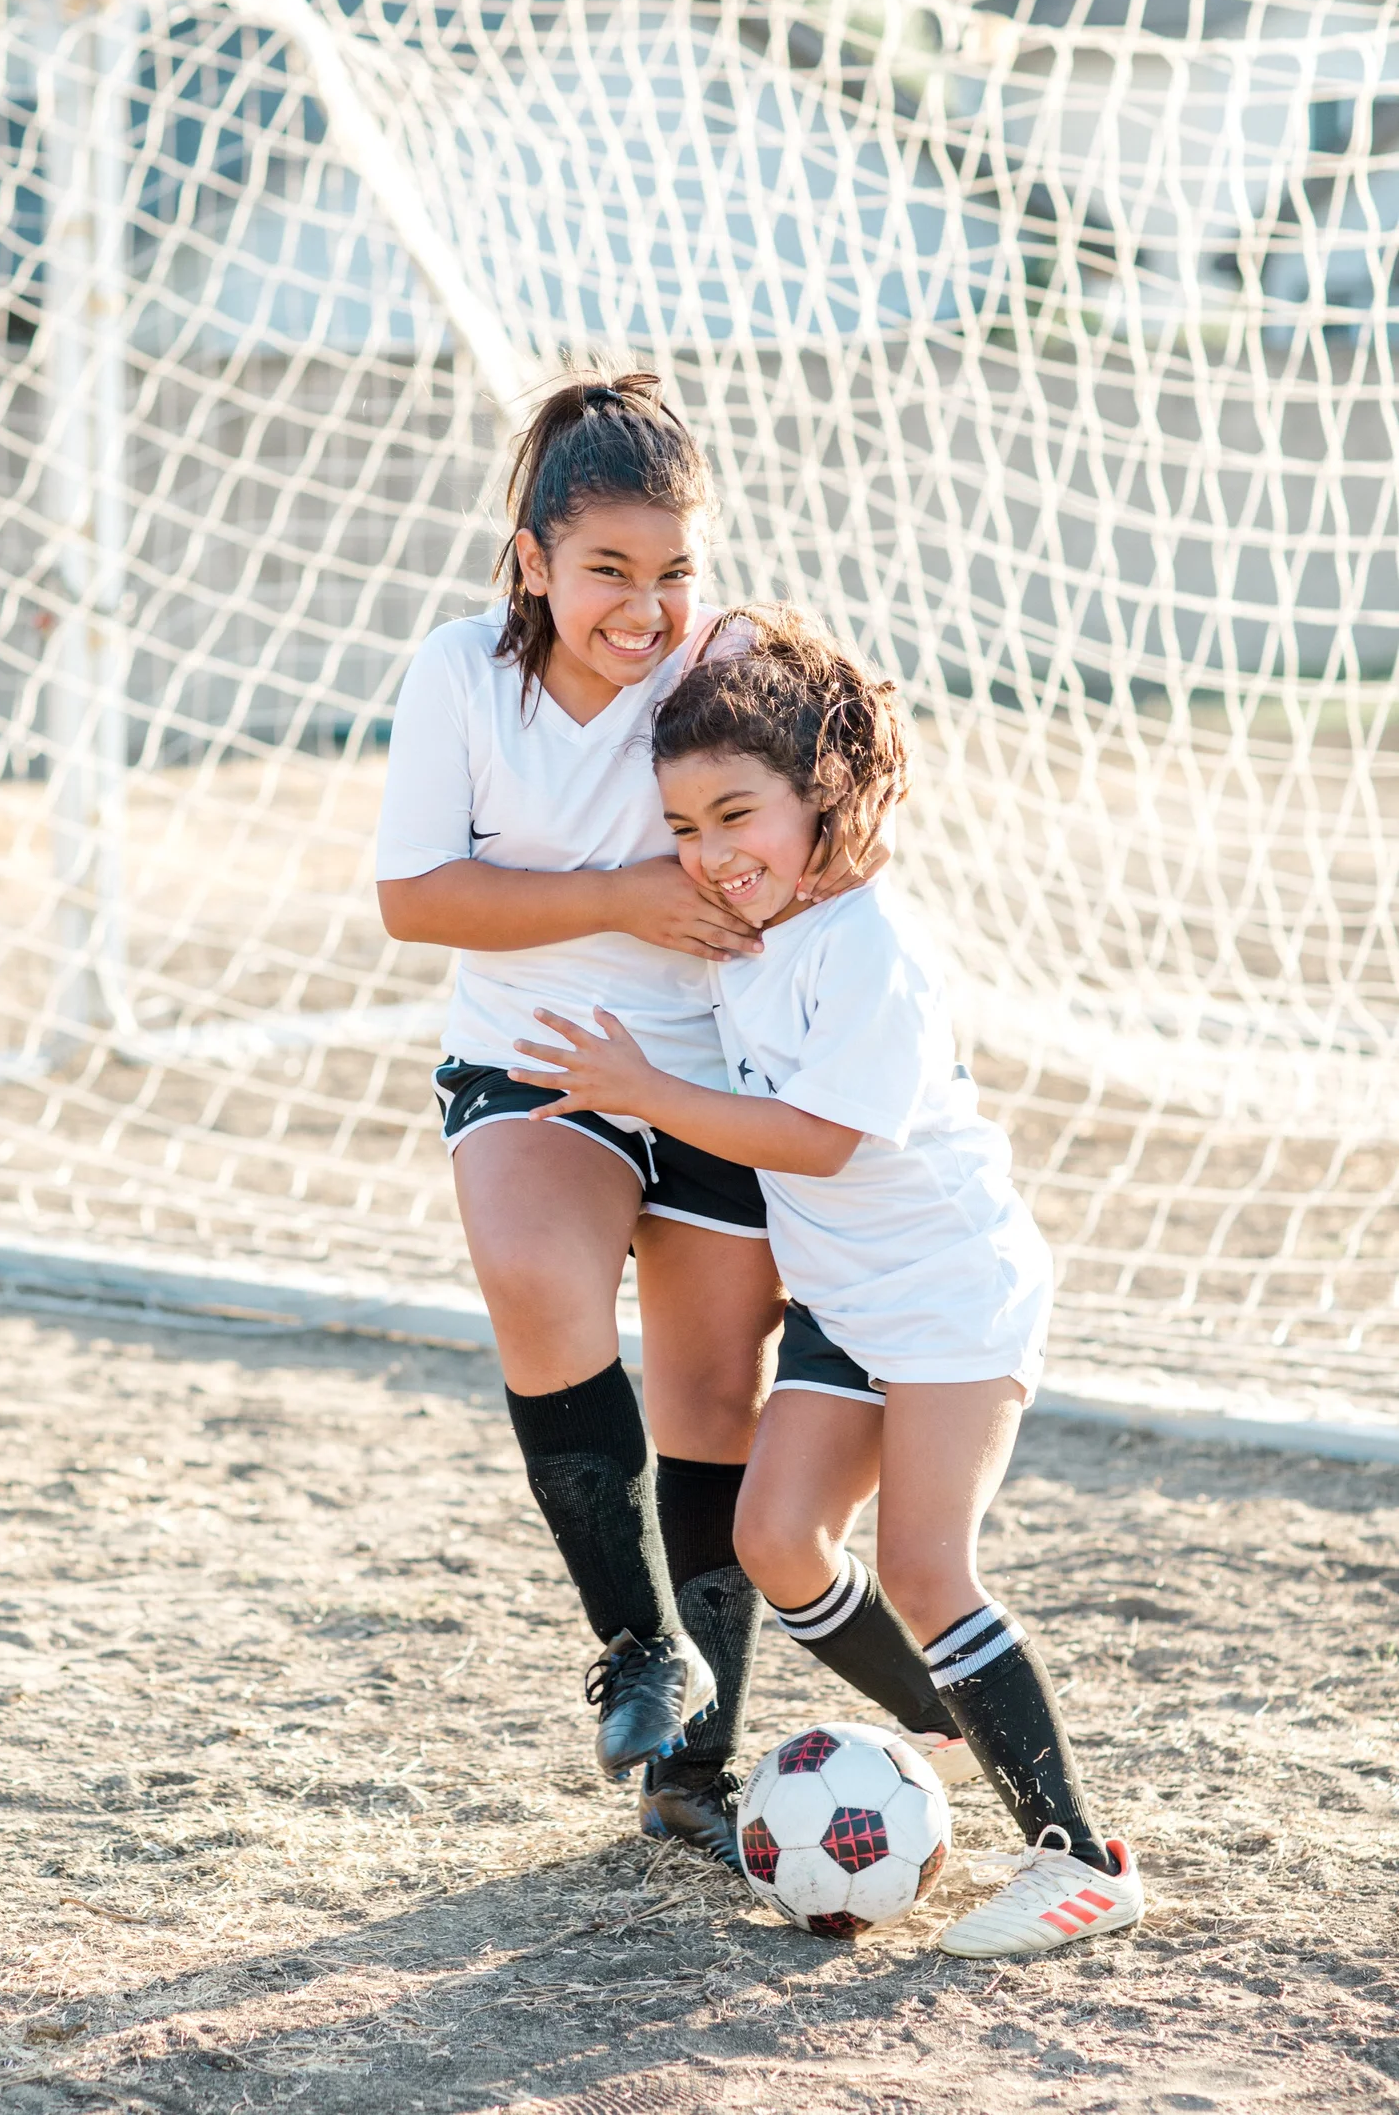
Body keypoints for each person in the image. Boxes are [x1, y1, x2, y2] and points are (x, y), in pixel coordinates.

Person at [376, 377, 967, 1867]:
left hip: (720, 1074)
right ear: (532, 561)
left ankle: (695, 1768)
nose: (645, 610)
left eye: (674, 570)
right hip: (537, 1059)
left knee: (711, 1401)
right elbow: (415, 898)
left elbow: (853, 780)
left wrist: (834, 918)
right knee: (536, 1276)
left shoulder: (733, 659)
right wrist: (621, 898)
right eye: (607, 571)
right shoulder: (461, 674)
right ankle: (639, 1645)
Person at [507, 604, 1144, 1959]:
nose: (710, 853)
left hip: (949, 1292)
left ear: (823, 795)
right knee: (779, 1537)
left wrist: (643, 1090)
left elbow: (824, 1138)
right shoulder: (761, 929)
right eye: (685, 827)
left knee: (923, 1559)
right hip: (845, 1305)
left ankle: (1082, 1861)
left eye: (738, 814)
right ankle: (936, 1723)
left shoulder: (868, 945)